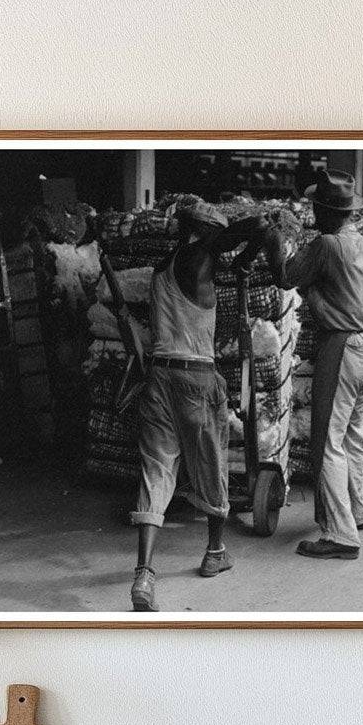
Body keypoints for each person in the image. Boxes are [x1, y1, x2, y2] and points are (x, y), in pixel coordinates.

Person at [129, 201, 262, 612]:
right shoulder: (200, 256)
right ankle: (215, 551)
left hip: (158, 377)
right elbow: (257, 225)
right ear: (203, 234)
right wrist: (245, 257)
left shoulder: (161, 267)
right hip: (196, 378)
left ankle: (144, 573)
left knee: (156, 472)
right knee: (211, 466)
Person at [264, 170, 363, 560]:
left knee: (327, 442)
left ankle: (341, 535)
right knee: (354, 434)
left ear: (324, 211)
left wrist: (272, 243)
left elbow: (285, 277)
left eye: (316, 207)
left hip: (342, 346)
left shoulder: (325, 245)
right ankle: (357, 511)